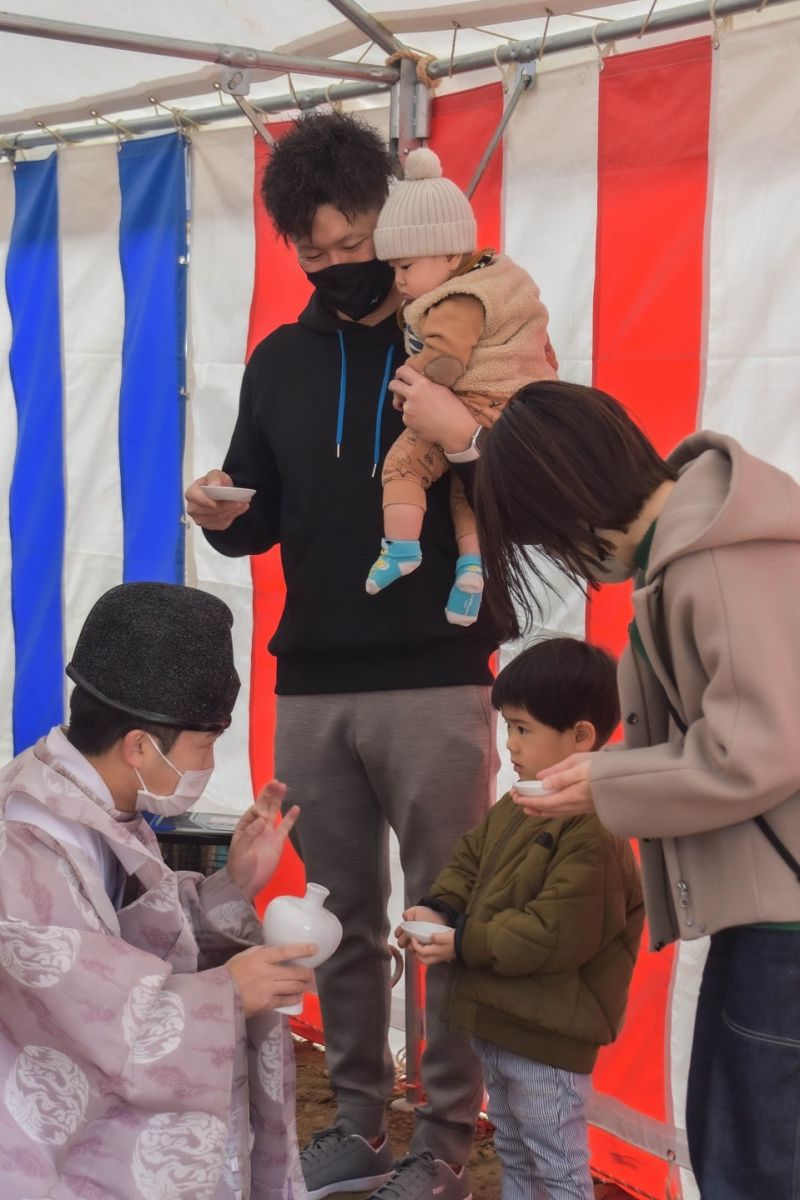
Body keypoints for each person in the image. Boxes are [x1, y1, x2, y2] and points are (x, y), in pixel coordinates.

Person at [185, 111, 500, 1200]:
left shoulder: (463, 335)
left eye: (352, 237)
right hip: (311, 678)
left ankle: (445, 1143)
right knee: (331, 914)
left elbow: (518, 478)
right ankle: (361, 1126)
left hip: (441, 673)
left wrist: (460, 422)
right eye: (310, 250)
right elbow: (255, 510)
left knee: (438, 919)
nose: (335, 263)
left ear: (392, 220)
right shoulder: (277, 360)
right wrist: (219, 513)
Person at [470, 379, 800, 1200]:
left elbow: (759, 747)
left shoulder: (714, 561)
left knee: (757, 1160)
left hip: (784, 915)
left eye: (546, 536)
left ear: (569, 504)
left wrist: (606, 780)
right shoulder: (696, 549)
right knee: (736, 1141)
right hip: (764, 908)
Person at [0, 581, 315, 1199]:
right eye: (206, 743)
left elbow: (122, 944)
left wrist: (234, 882)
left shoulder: (92, 800)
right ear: (140, 746)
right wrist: (225, 995)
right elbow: (77, 1024)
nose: (208, 762)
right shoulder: (25, 842)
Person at [397, 638, 643, 1200]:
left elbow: (554, 936)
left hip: (550, 1038)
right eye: (507, 727)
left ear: (581, 737)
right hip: (500, 1021)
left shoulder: (596, 826)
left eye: (523, 729)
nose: (510, 744)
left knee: (556, 1163)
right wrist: (439, 908)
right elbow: (467, 862)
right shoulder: (520, 804)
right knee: (512, 1143)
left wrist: (460, 941)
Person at [366, 147, 558, 627]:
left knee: (404, 465)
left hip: (476, 401)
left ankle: (401, 550)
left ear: (451, 254)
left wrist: (411, 388)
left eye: (405, 267)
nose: (399, 280)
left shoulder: (458, 300)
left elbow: (447, 359)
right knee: (468, 493)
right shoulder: (497, 280)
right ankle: (472, 572)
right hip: (511, 410)